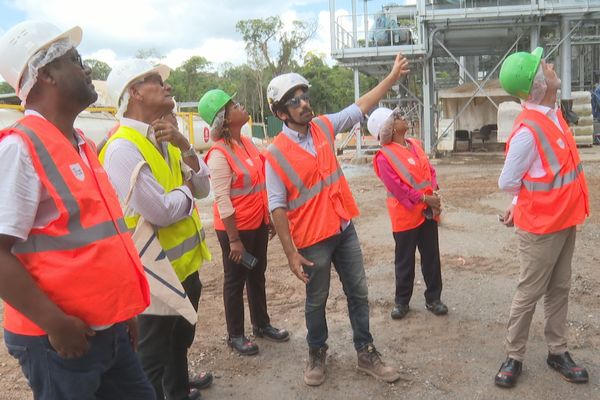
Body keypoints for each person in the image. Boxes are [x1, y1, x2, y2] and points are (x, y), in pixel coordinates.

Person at [0, 21, 154, 399]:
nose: (88, 69)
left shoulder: (81, 144)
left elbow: (102, 241)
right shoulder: (20, 149)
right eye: (76, 59)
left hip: (109, 327)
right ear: (46, 73)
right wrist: (54, 323)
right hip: (60, 340)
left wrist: (122, 312)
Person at [264, 53, 409, 386]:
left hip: (344, 229)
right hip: (313, 240)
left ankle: (366, 351)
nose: (303, 103)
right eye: (293, 100)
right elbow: (276, 207)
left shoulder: (323, 127)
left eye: (303, 95)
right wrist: (290, 253)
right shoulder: (274, 154)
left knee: (358, 291)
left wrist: (391, 77)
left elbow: (359, 107)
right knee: (316, 300)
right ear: (281, 112)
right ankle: (317, 352)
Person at [100, 60, 212, 400]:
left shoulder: (164, 137)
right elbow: (161, 211)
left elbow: (204, 187)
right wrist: (187, 193)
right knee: (150, 363)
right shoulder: (123, 147)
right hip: (154, 281)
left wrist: (185, 146)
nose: (167, 86)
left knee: (177, 349)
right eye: (155, 81)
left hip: (185, 270)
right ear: (135, 92)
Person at [495, 47, 590, 388]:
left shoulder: (553, 113)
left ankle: (557, 350)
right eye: (545, 65)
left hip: (565, 221)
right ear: (540, 83)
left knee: (560, 288)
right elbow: (507, 181)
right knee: (529, 292)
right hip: (540, 229)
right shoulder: (527, 132)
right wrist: (519, 204)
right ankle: (514, 355)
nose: (551, 64)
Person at [199, 89, 289, 355]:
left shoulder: (247, 143)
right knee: (234, 281)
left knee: (257, 275)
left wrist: (267, 218)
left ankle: (262, 325)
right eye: (234, 105)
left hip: (257, 226)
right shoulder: (218, 154)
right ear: (224, 119)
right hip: (234, 232)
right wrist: (234, 240)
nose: (241, 106)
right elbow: (223, 200)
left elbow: (260, 183)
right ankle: (235, 334)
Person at [368, 107, 447, 320]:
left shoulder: (415, 145)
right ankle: (402, 302)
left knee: (431, 256)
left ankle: (434, 299)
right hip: (406, 215)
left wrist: (434, 189)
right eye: (398, 117)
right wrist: (423, 198)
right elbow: (397, 188)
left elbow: (429, 170)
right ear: (391, 128)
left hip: (426, 211)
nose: (403, 118)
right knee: (404, 260)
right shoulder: (384, 157)